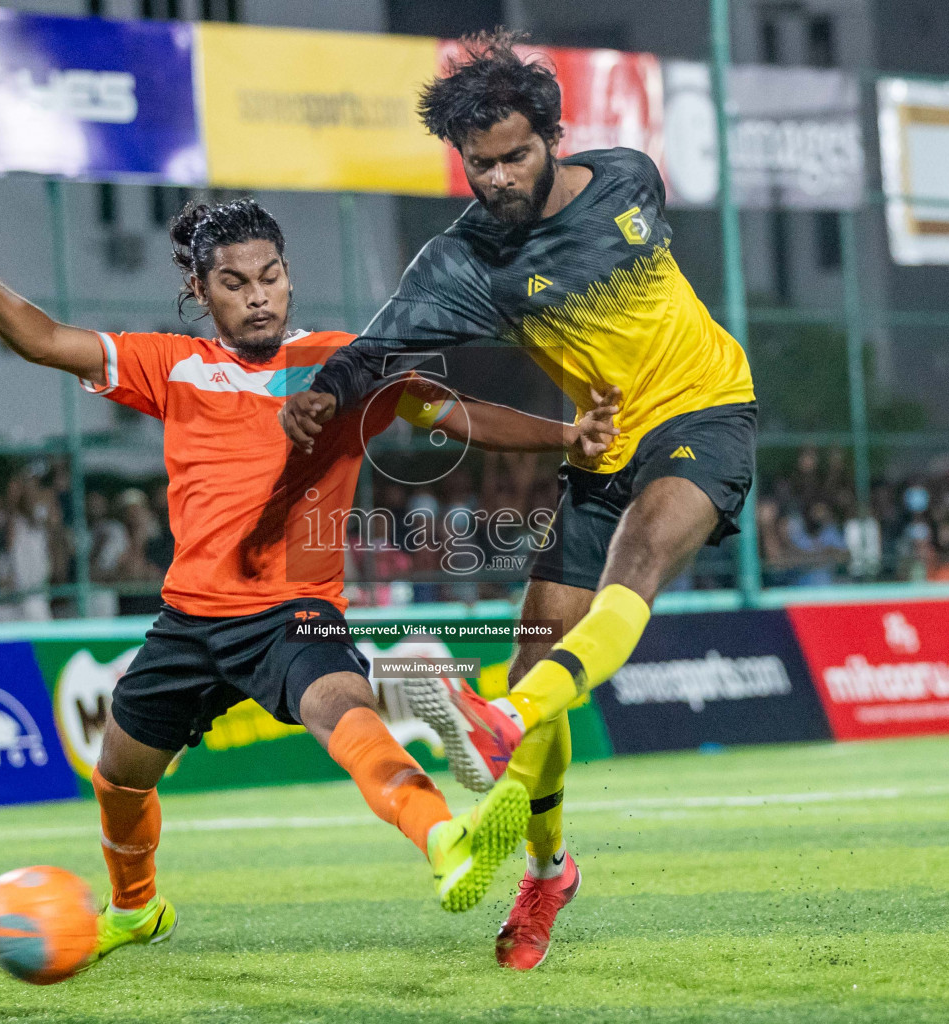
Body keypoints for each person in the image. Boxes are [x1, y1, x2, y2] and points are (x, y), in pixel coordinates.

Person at [0, 193, 617, 966]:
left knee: (347, 717)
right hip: (188, 623)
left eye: (270, 276)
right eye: (234, 282)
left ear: (288, 276)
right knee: (118, 774)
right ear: (201, 292)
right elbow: (45, 339)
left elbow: (455, 416)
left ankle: (445, 838)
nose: (257, 295)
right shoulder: (171, 366)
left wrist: (567, 435)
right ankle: (136, 908)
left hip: (293, 612)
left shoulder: (344, 363)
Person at [277, 30, 757, 970]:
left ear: (552, 137)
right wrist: (328, 391)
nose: (495, 179)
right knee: (542, 658)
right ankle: (547, 869)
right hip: (599, 447)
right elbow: (377, 350)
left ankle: (499, 723)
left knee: (639, 562)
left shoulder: (628, 175)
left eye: (513, 156)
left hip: (707, 410)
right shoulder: (464, 263)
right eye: (477, 164)